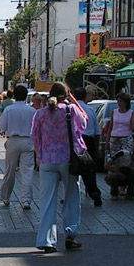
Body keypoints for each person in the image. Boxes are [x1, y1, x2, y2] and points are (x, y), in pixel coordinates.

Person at [30, 82, 87, 253]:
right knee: (71, 197)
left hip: (47, 160)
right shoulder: (71, 110)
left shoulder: (40, 114)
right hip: (68, 160)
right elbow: (84, 124)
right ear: (66, 94)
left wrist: (39, 157)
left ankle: (46, 241)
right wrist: (74, 101)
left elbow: (34, 137)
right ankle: (70, 234)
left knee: (47, 201)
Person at [0, 84, 35, 209]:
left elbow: (2, 125)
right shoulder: (31, 110)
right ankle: (26, 200)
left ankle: (5, 197)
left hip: (13, 140)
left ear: (14, 95)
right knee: (27, 171)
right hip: (28, 141)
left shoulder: (9, 110)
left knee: (10, 170)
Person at [72, 86, 103, 207]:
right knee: (89, 172)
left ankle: (71, 196)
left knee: (72, 170)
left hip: (75, 141)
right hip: (88, 141)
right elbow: (97, 132)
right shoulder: (90, 111)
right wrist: (96, 148)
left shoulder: (70, 109)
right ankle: (94, 193)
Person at [106, 91, 134, 157]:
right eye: (118, 101)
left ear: (125, 102)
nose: (119, 103)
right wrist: (107, 142)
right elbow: (110, 127)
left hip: (126, 139)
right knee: (114, 158)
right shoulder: (114, 112)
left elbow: (132, 129)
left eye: (121, 101)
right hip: (114, 139)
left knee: (125, 157)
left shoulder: (131, 113)